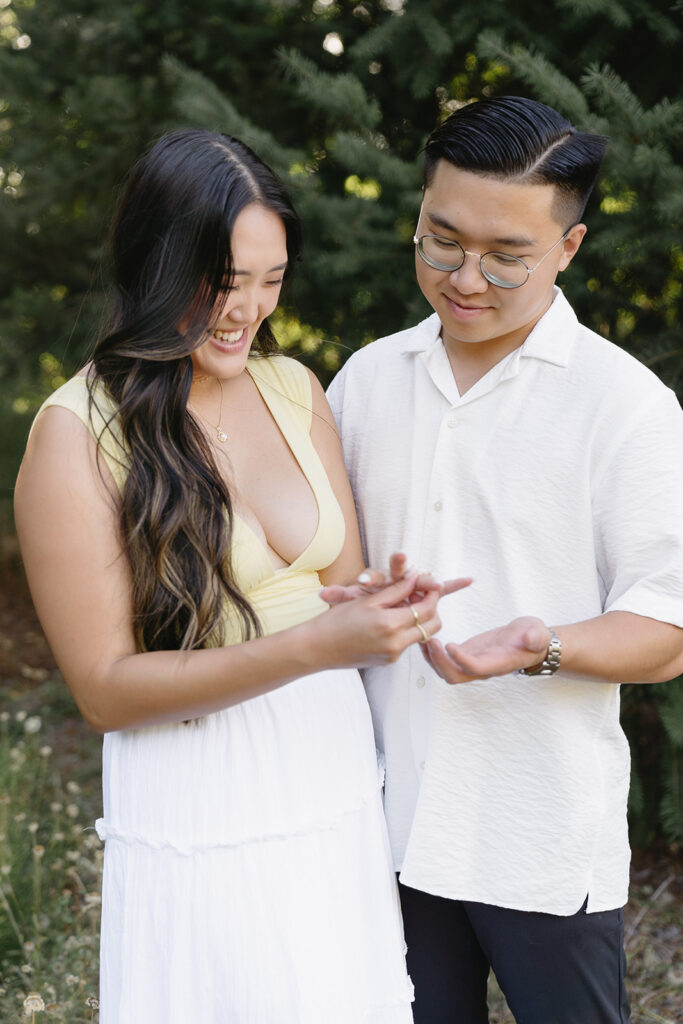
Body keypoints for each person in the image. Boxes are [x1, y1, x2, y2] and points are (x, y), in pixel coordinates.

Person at [13, 129, 460, 1023]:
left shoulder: (293, 387)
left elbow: (335, 587)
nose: (244, 311)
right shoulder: (76, 435)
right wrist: (313, 647)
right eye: (220, 282)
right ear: (154, 266)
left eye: (270, 280)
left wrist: (383, 605)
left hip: (329, 788)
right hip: (203, 802)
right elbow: (103, 690)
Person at [326, 96, 683, 1024]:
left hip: (535, 830)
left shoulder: (626, 407)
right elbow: (326, 575)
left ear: (567, 249)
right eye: (440, 240)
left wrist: (540, 645)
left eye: (506, 256)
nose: (464, 277)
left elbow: (666, 629)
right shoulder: (366, 378)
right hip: (379, 825)